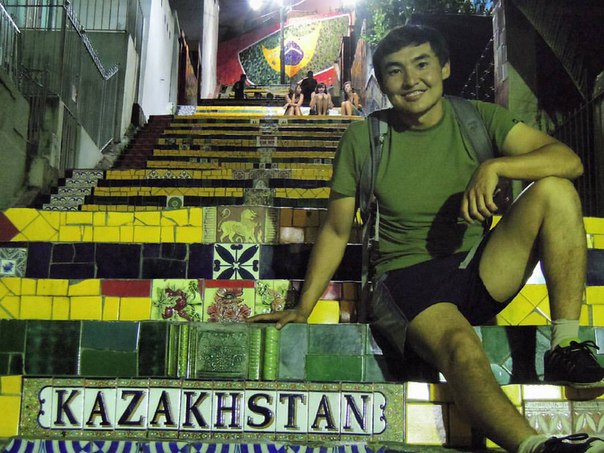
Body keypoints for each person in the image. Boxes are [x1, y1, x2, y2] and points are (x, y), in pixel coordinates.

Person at [251, 24, 604, 452]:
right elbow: (337, 229)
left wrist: (496, 167)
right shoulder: (364, 139)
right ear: (383, 84)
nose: (411, 80)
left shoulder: (476, 118)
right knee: (461, 345)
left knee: (555, 190)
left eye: (422, 65)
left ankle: (565, 344)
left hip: (477, 268)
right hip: (405, 280)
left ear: (444, 67)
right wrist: (303, 307)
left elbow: (568, 161)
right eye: (395, 71)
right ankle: (535, 447)